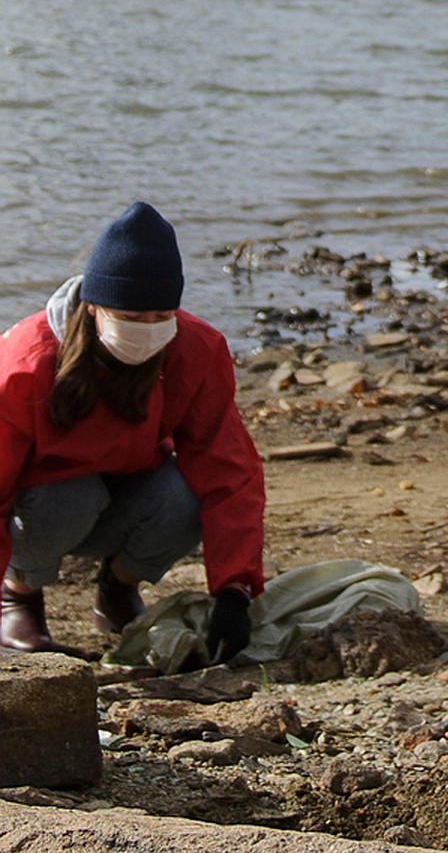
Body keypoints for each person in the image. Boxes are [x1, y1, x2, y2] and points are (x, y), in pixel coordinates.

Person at [0, 200, 265, 664]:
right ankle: (19, 595)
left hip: (130, 491)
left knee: (187, 496)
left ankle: (117, 589)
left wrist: (234, 590)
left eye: (161, 316)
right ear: (93, 307)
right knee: (71, 498)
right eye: (131, 318)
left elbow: (228, 466)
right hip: (45, 509)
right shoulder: (25, 364)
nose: (148, 330)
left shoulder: (196, 349)